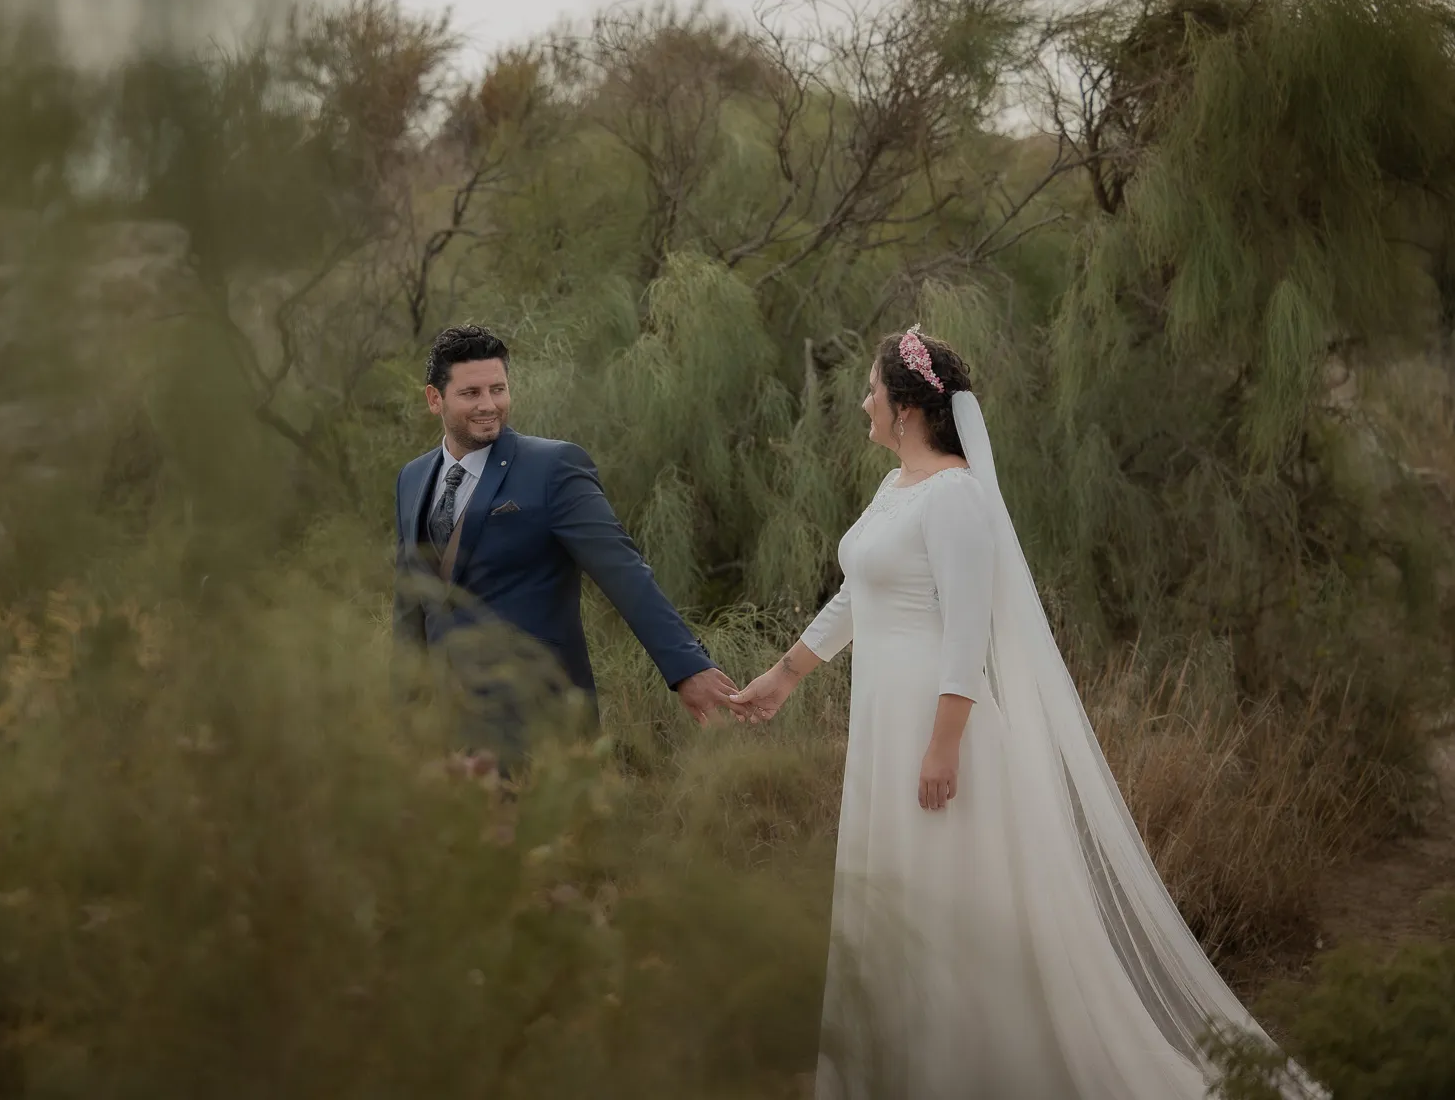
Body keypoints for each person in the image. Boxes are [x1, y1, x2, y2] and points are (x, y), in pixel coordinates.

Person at [726, 327, 1321, 1099]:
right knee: (894, 904)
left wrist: (942, 748)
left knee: (944, 907)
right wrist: (783, 676)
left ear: (906, 409)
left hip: (938, 733)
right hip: (883, 723)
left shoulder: (958, 498)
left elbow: (967, 633)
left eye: (873, 389)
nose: (863, 401)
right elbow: (854, 599)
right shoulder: (893, 490)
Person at [393, 325, 736, 769]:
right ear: (434, 399)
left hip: (541, 727)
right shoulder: (412, 479)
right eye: (471, 392)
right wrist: (402, 719)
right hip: (445, 733)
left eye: (498, 389)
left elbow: (624, 572)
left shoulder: (552, 467)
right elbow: (410, 606)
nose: (489, 405)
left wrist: (687, 669)